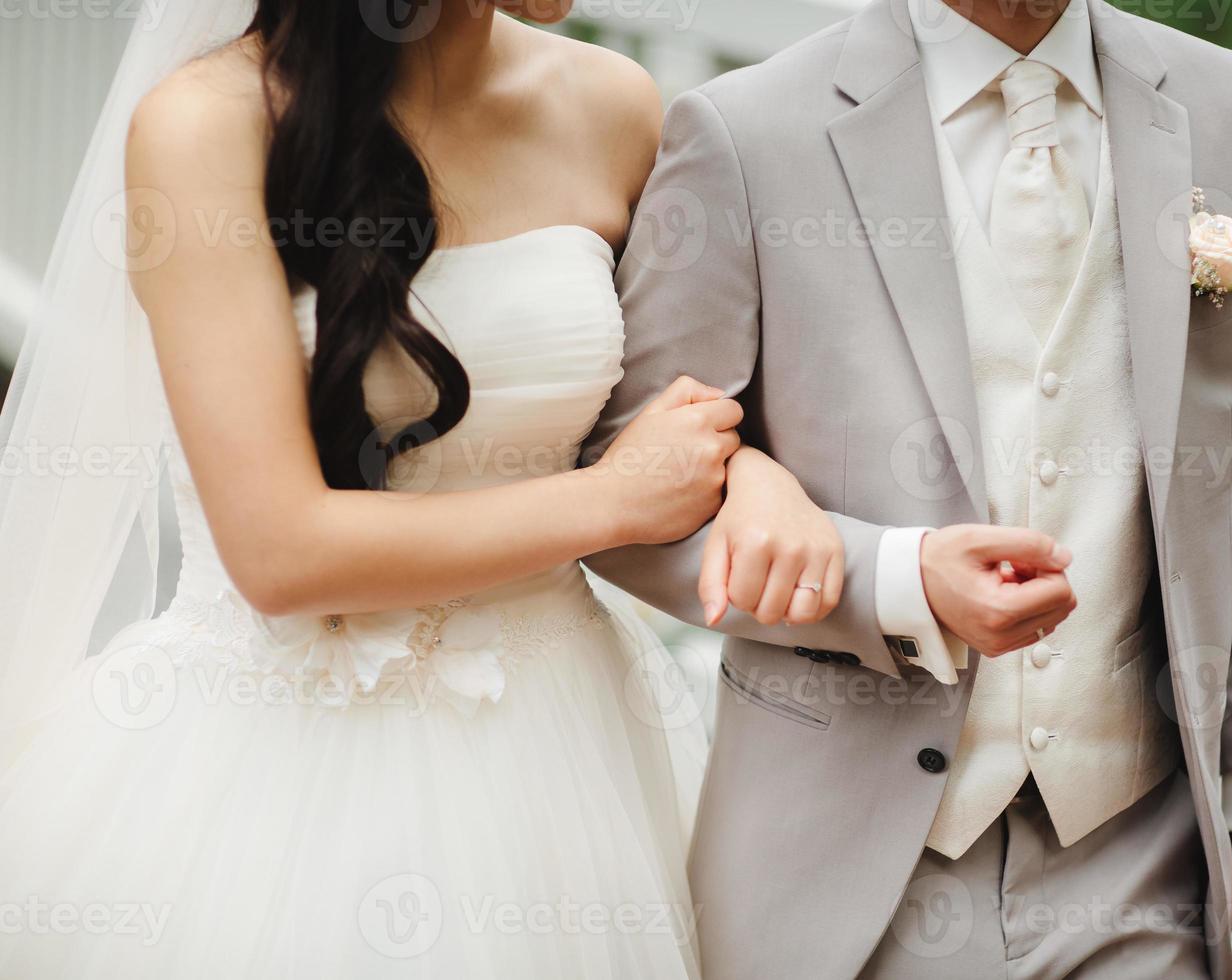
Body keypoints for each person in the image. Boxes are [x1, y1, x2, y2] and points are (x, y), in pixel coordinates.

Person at [0, 1, 845, 976]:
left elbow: (667, 408)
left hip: (563, 751)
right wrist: (609, 502)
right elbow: (281, 552)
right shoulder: (206, 125)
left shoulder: (615, 103)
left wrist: (757, 473)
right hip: (266, 764)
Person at [582, 0, 1232, 977]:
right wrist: (893, 581)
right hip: (849, 868)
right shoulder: (749, 131)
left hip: (1146, 855)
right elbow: (624, 500)